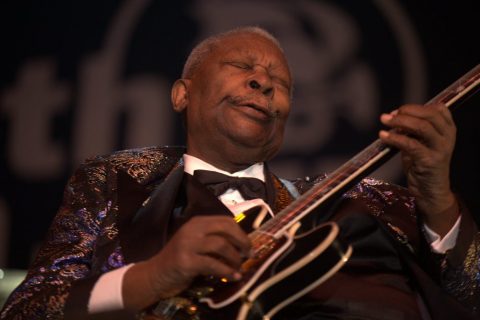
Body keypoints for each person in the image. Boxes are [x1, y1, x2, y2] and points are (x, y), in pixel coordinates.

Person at [1, 26, 479, 320]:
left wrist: (437, 198)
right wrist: (153, 277)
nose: (264, 82)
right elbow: (28, 310)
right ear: (181, 94)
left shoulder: (366, 198)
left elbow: (469, 298)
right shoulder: (114, 180)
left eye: (281, 84)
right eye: (242, 66)